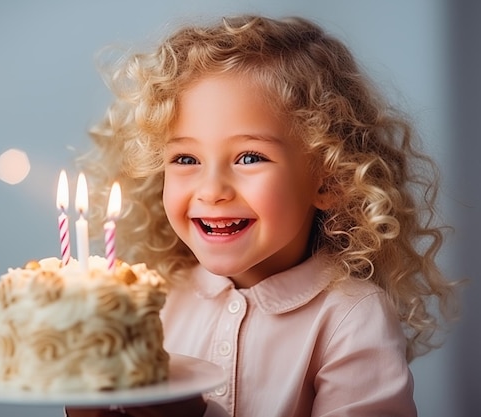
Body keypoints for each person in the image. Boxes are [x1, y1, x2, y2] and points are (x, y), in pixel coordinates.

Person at [66, 14, 458, 417]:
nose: (212, 190)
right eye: (186, 158)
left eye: (249, 157)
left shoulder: (349, 318)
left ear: (330, 178)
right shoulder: (155, 302)